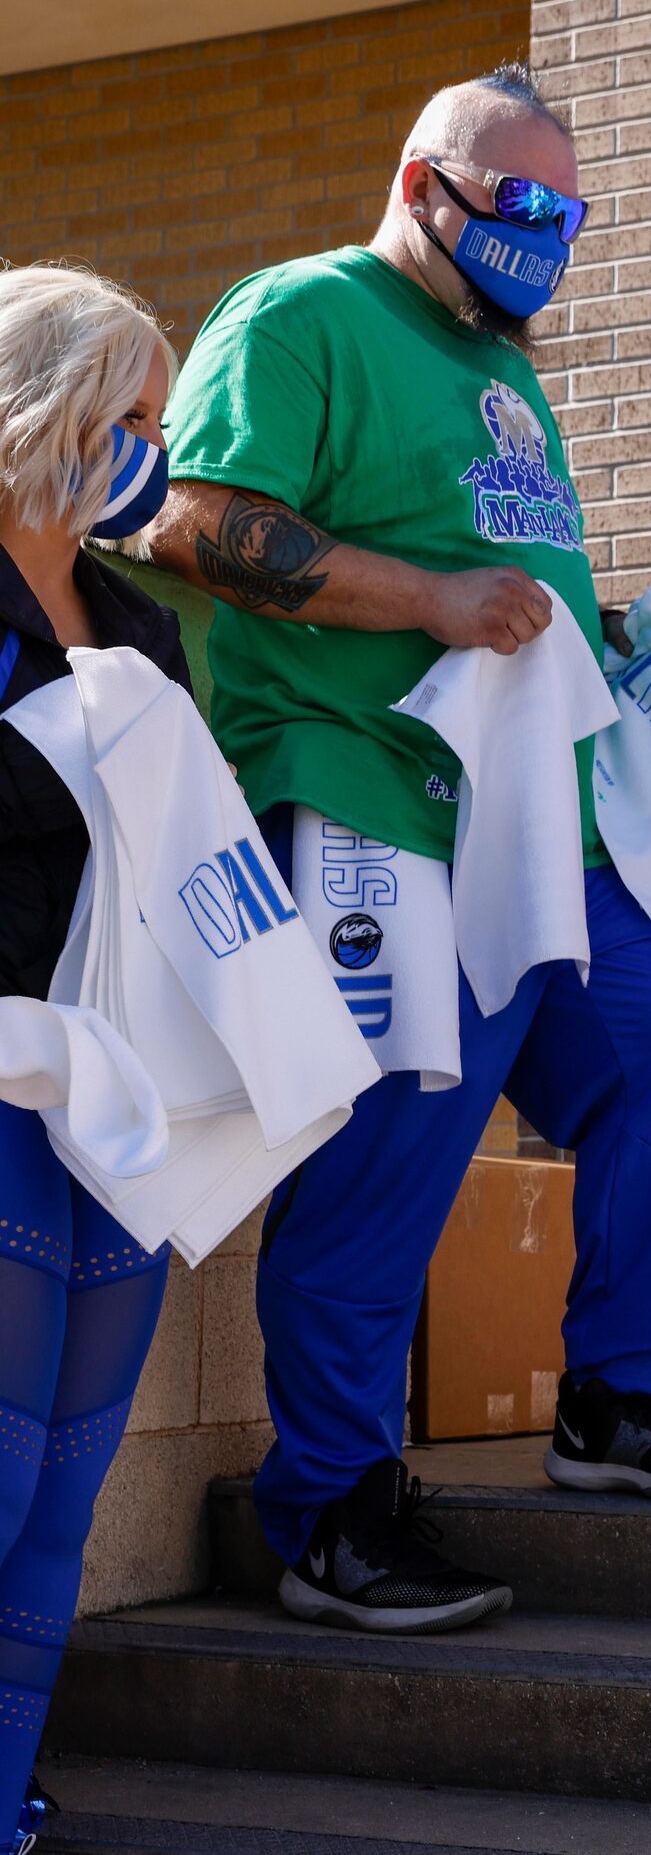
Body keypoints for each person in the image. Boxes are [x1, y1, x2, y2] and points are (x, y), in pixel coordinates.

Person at [145, 66, 651, 1637]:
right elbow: (195, 524)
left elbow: (504, 561)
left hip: (534, 824)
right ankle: (330, 1505)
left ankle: (610, 1403)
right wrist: (425, 599)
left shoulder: (504, 362)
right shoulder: (300, 316)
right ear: (424, 183)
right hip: (366, 798)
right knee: (391, 1139)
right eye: (520, 208)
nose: (546, 242)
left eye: (570, 214)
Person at [0, 264, 182, 1854]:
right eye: (129, 416)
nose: (149, 451)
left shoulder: (140, 625)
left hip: (120, 1113)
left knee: (62, 1503)